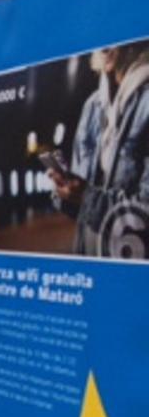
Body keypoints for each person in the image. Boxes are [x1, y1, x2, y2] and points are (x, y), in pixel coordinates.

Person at [50, 43, 149, 257]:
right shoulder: (93, 106)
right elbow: (84, 211)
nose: (106, 47)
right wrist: (67, 191)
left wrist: (87, 198)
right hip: (88, 259)